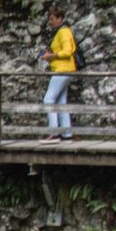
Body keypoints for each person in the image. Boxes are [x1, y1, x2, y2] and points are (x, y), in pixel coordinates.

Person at [39, 8, 77, 142]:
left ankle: (54, 132)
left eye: (52, 19)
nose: (50, 22)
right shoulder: (61, 32)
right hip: (65, 70)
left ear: (60, 19)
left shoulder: (63, 32)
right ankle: (66, 134)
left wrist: (51, 56)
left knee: (48, 99)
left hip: (62, 70)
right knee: (61, 102)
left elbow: (67, 51)